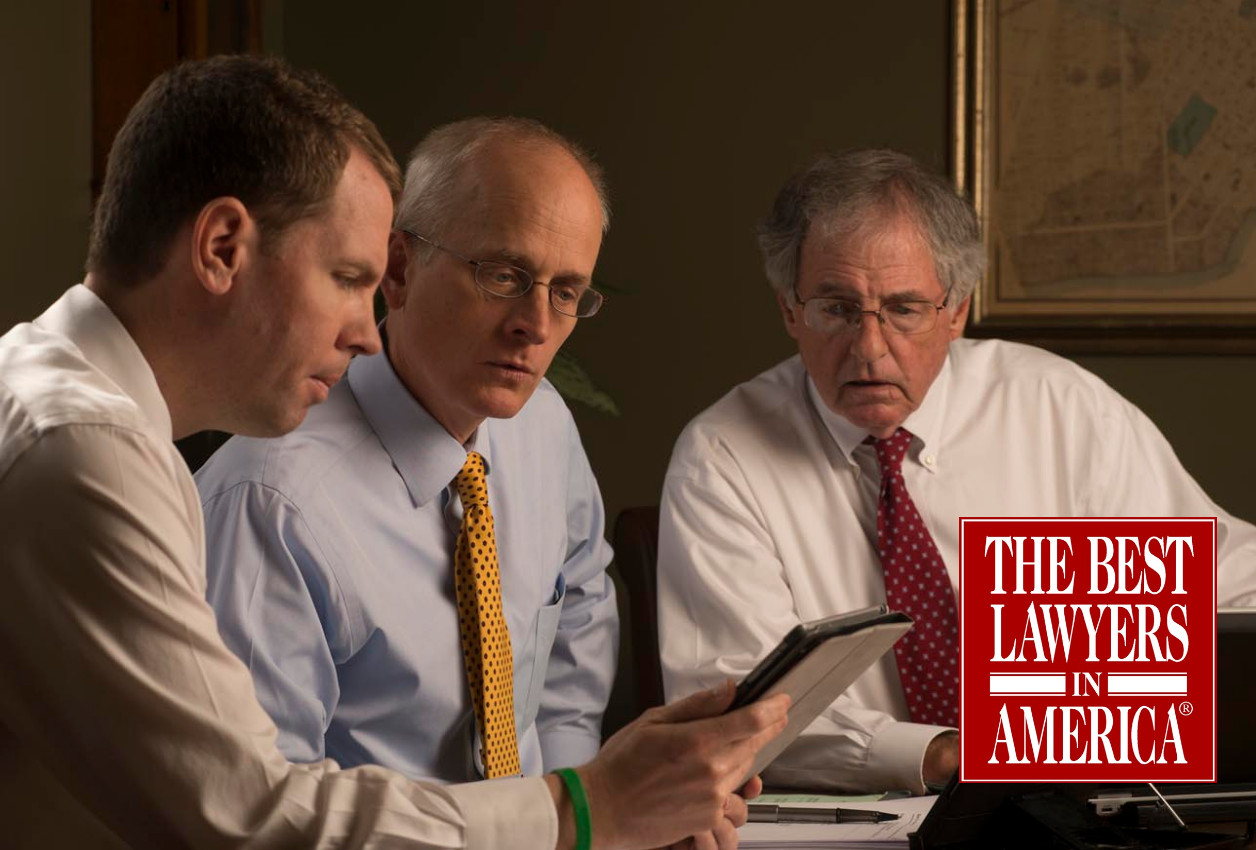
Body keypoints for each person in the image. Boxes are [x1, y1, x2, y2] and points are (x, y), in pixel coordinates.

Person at [0, 54, 787, 849]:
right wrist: (586, 811)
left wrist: (622, 801)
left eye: (567, 293)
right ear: (222, 247)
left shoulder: (61, 402)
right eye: (348, 277)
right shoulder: (90, 452)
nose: (365, 330)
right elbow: (253, 820)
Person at [656, 148, 1256, 796]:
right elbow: (735, 715)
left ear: (956, 311)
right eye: (836, 309)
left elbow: (1247, 601)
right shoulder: (721, 457)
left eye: (903, 309)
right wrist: (949, 754)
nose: (869, 349)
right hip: (858, 823)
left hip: (1085, 808)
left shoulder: (1060, 408)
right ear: (790, 309)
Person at [196, 117, 617, 784]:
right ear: (399, 269)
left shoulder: (545, 427)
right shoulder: (271, 501)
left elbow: (582, 613)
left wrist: (577, 811)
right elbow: (263, 807)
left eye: (564, 292)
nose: (534, 325)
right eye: (505, 275)